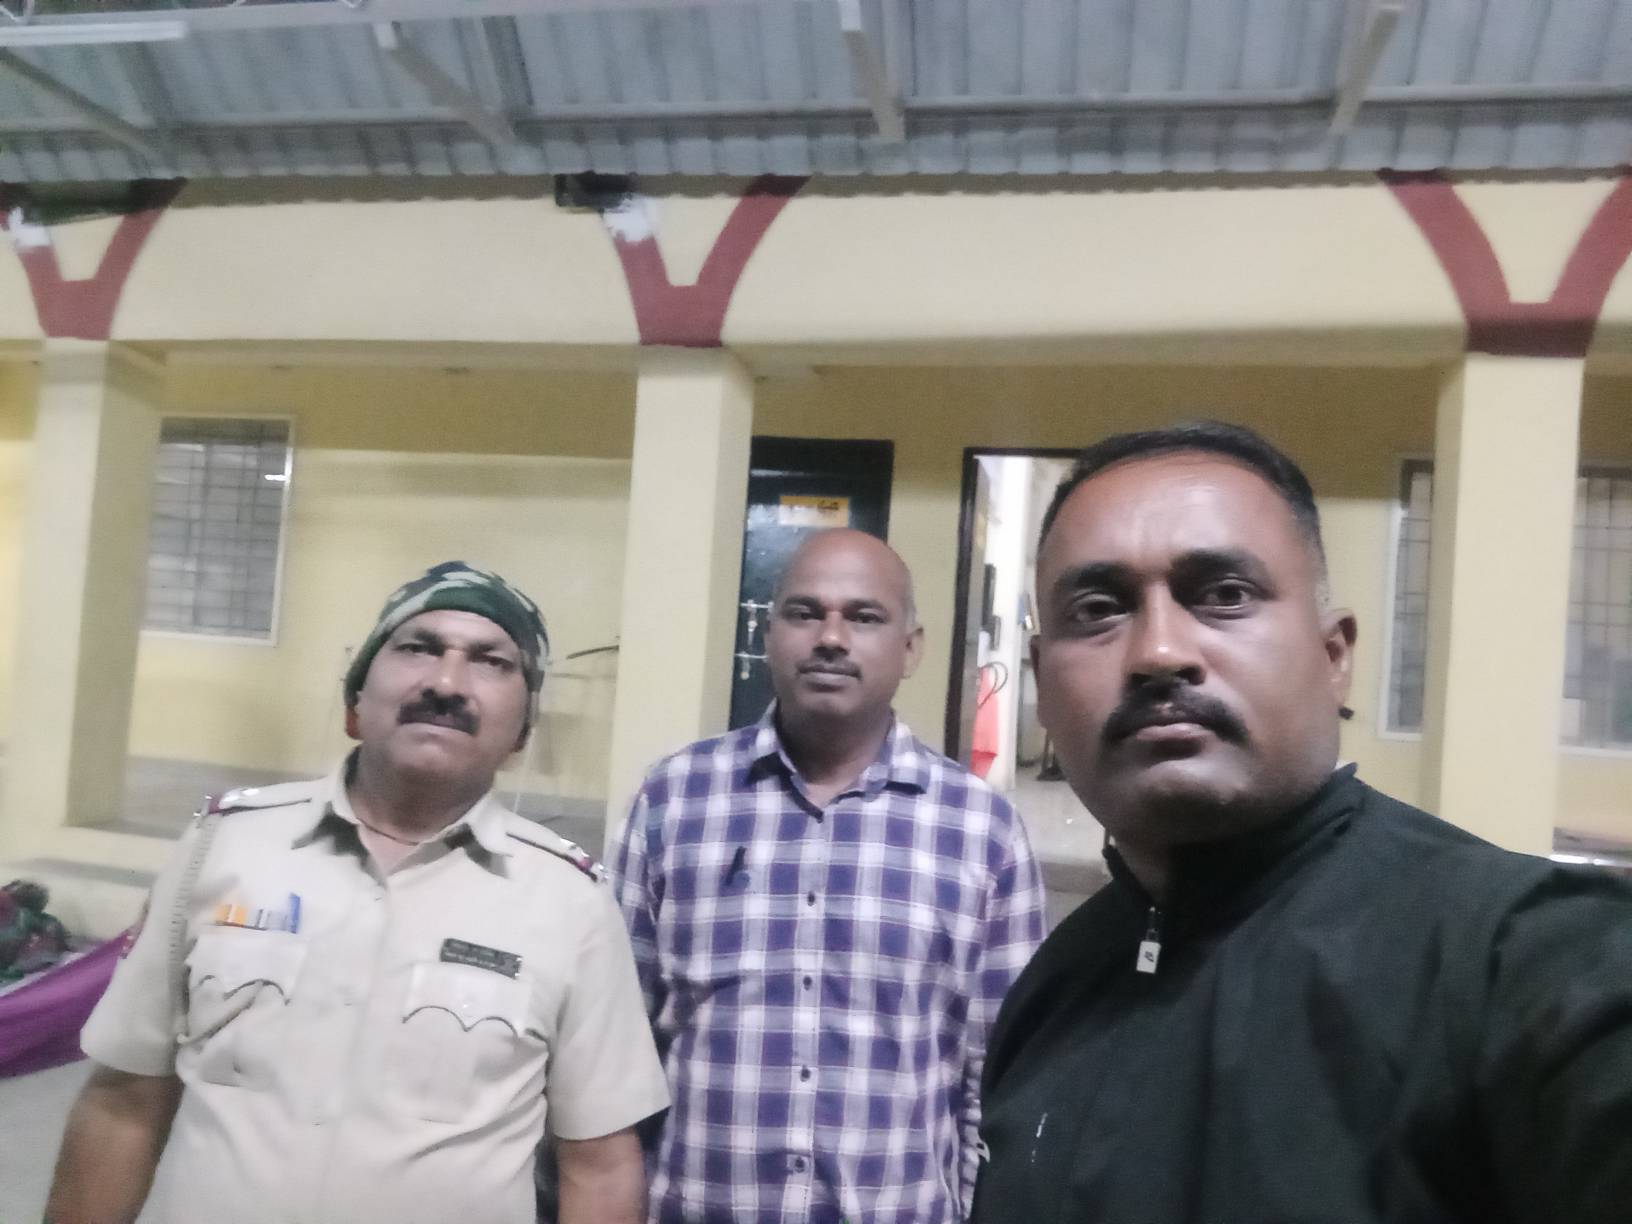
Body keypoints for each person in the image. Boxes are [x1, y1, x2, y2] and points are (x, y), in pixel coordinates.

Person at [969, 422, 1632, 1223]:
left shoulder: (1528, 961)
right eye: (1099, 609)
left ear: (1334, 656)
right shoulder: (1056, 986)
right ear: (1041, 680)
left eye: (1224, 595)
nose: (1159, 652)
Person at [48, 561, 669, 1224]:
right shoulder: (221, 848)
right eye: (417, 648)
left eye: (491, 661)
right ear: (355, 704)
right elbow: (123, 1102)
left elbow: (600, 1165)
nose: (445, 683)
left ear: (521, 733)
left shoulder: (570, 902)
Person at [609, 528, 1046, 1224]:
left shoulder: (981, 829)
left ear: (911, 648)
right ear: (769, 635)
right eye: (804, 613)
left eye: (864, 617)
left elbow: (1001, 1076)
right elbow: (612, 1045)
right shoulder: (675, 799)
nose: (831, 638)